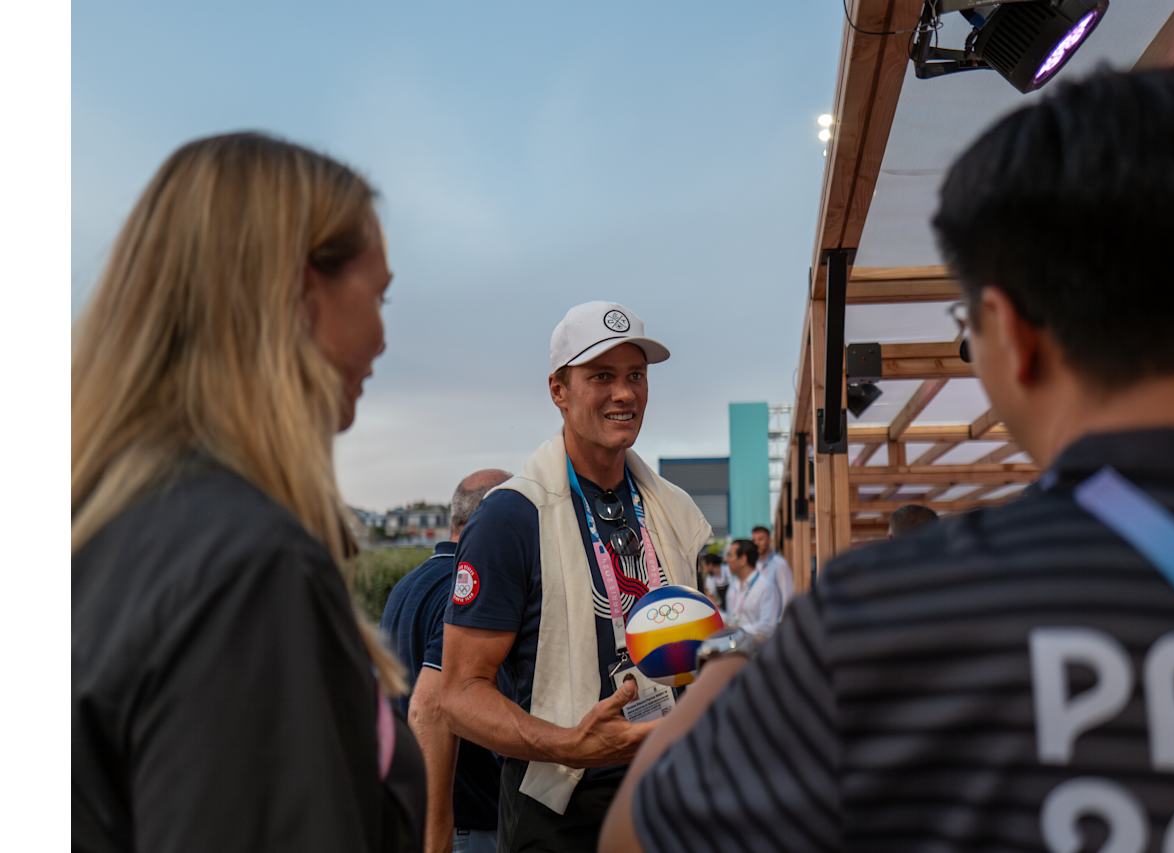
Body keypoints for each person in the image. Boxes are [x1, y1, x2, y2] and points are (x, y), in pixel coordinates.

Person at [602, 69, 1174, 852]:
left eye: (966, 325)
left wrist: (734, 651)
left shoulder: (889, 620)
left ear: (1012, 332)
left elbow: (636, 836)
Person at [72, 133, 425, 851]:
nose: (384, 336)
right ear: (297, 291)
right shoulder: (247, 571)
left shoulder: (103, 533)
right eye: (377, 294)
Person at [439, 301, 712, 852]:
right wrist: (568, 745)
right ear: (558, 391)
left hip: (665, 794)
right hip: (558, 809)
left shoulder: (673, 509)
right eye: (601, 377)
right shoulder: (512, 516)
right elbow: (459, 695)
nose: (625, 394)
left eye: (636, 376)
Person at [380, 469, 511, 853]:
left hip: (416, 811)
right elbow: (434, 706)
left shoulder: (407, 585)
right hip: (464, 822)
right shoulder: (474, 589)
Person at [723, 539, 781, 639]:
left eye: (730, 555)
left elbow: (767, 626)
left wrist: (738, 630)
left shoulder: (766, 588)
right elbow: (731, 618)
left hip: (757, 652)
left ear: (743, 560)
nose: (726, 560)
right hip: (734, 649)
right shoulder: (733, 587)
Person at [751, 524, 793, 608]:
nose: (756, 543)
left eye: (760, 539)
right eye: (754, 540)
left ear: (769, 540)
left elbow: (787, 594)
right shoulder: (753, 564)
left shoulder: (779, 564)